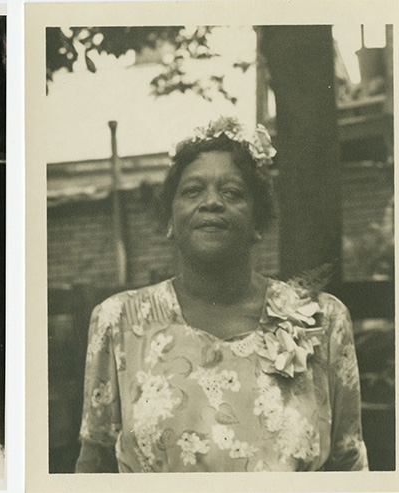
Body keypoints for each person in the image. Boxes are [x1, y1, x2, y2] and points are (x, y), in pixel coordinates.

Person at [75, 116, 368, 472]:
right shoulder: (119, 321)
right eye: (192, 191)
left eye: (232, 192)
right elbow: (95, 463)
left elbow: (349, 463)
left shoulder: (322, 320)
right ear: (170, 220)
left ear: (258, 224)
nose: (211, 202)